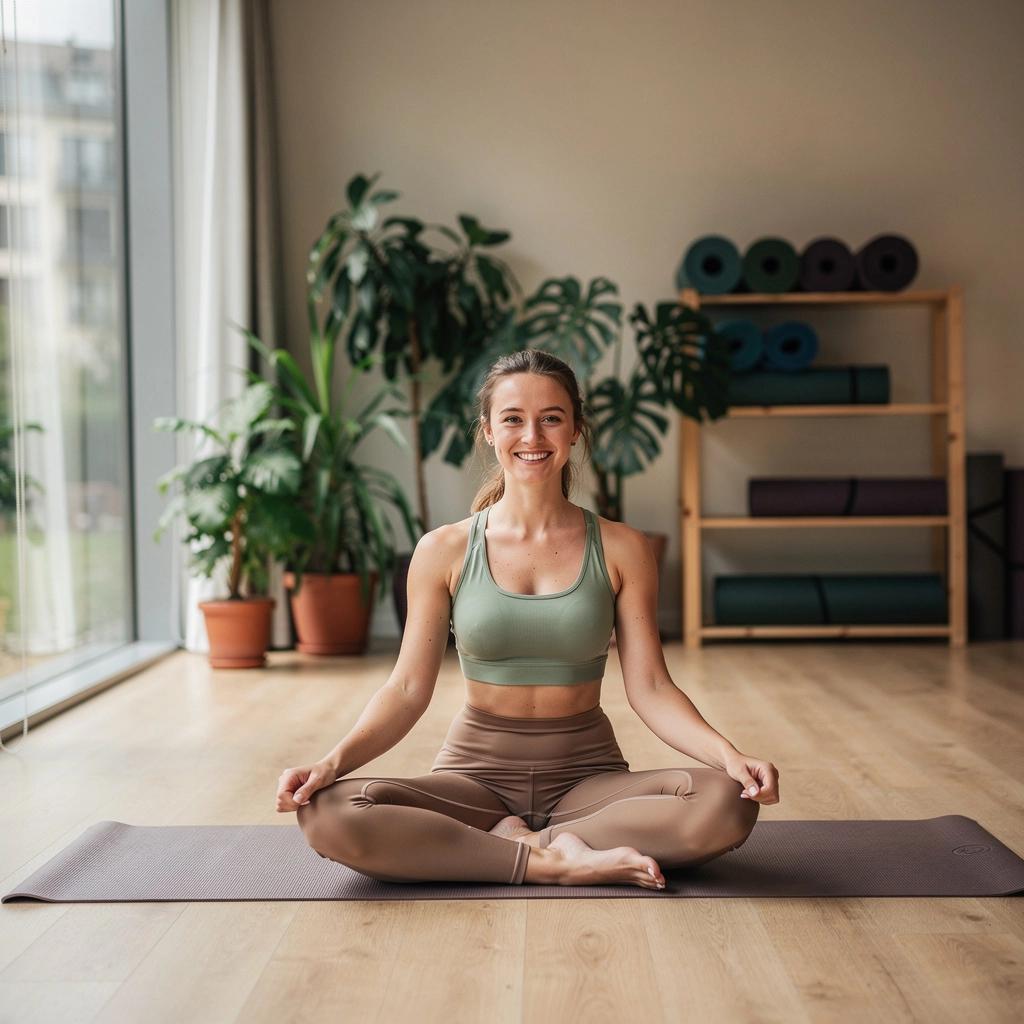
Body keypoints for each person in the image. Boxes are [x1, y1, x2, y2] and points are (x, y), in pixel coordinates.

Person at [276, 349, 779, 888]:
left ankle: (516, 846)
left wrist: (728, 754)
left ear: (576, 431)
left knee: (726, 801)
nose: (532, 436)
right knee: (329, 812)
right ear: (489, 432)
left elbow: (652, 687)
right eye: (513, 418)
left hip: (588, 780)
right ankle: (558, 861)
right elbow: (405, 690)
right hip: (474, 780)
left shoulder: (622, 547)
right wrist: (333, 762)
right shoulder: (442, 550)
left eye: (551, 419)